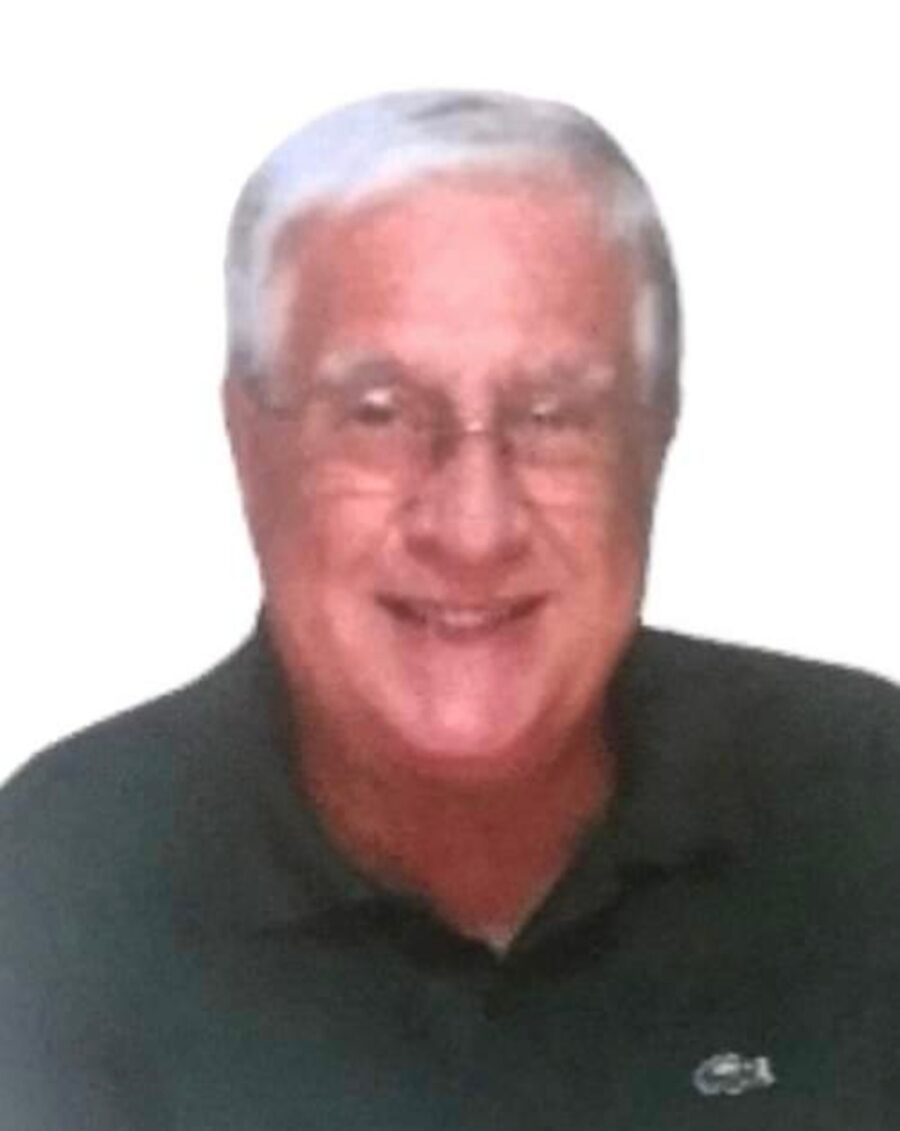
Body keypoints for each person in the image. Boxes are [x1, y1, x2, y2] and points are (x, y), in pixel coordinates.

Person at [1, 90, 899, 1131]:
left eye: (553, 416)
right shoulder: (52, 898)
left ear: (656, 436)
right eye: (379, 415)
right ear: (250, 445)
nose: (474, 527)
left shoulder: (867, 812)